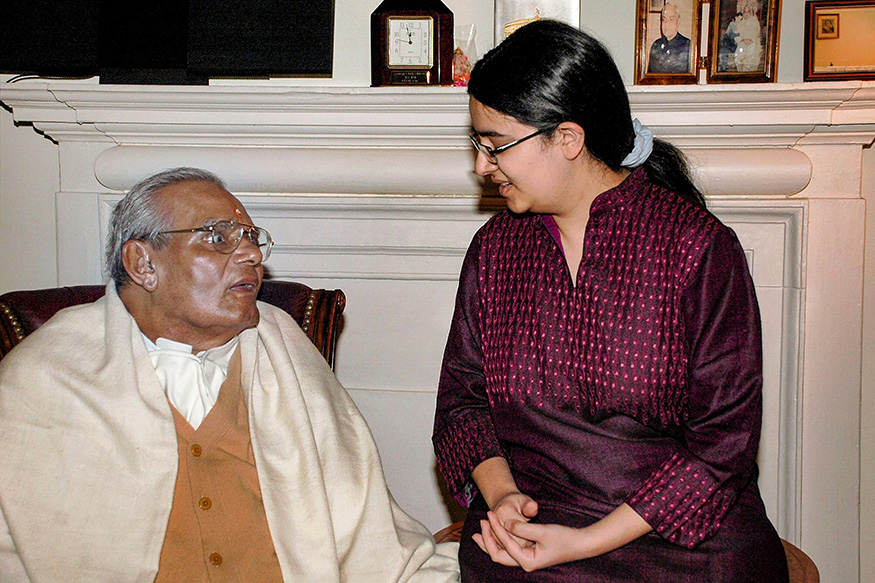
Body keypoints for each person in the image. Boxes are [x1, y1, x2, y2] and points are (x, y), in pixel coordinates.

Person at [432, 20, 788, 583]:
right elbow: (461, 406)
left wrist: (586, 542)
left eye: (495, 145)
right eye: (477, 145)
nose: (481, 165)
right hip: (536, 532)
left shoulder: (698, 248)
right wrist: (502, 499)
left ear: (568, 139)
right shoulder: (494, 251)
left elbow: (724, 443)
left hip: (683, 540)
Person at [0, 167, 459, 582]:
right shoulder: (46, 377)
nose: (250, 255)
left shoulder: (284, 349)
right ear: (143, 264)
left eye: (251, 238)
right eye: (218, 238)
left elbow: (369, 536)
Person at [647, 4, 691, 73]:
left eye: (671, 20)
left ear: (678, 22)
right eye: (664, 20)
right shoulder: (656, 45)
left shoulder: (688, 45)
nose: (666, 24)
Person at [733, 0, 762, 72]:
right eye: (744, 12)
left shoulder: (754, 21)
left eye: (748, 11)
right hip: (742, 44)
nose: (746, 14)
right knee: (740, 56)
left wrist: (750, 40)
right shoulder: (739, 22)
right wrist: (743, 40)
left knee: (752, 53)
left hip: (752, 44)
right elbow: (736, 35)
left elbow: (756, 34)